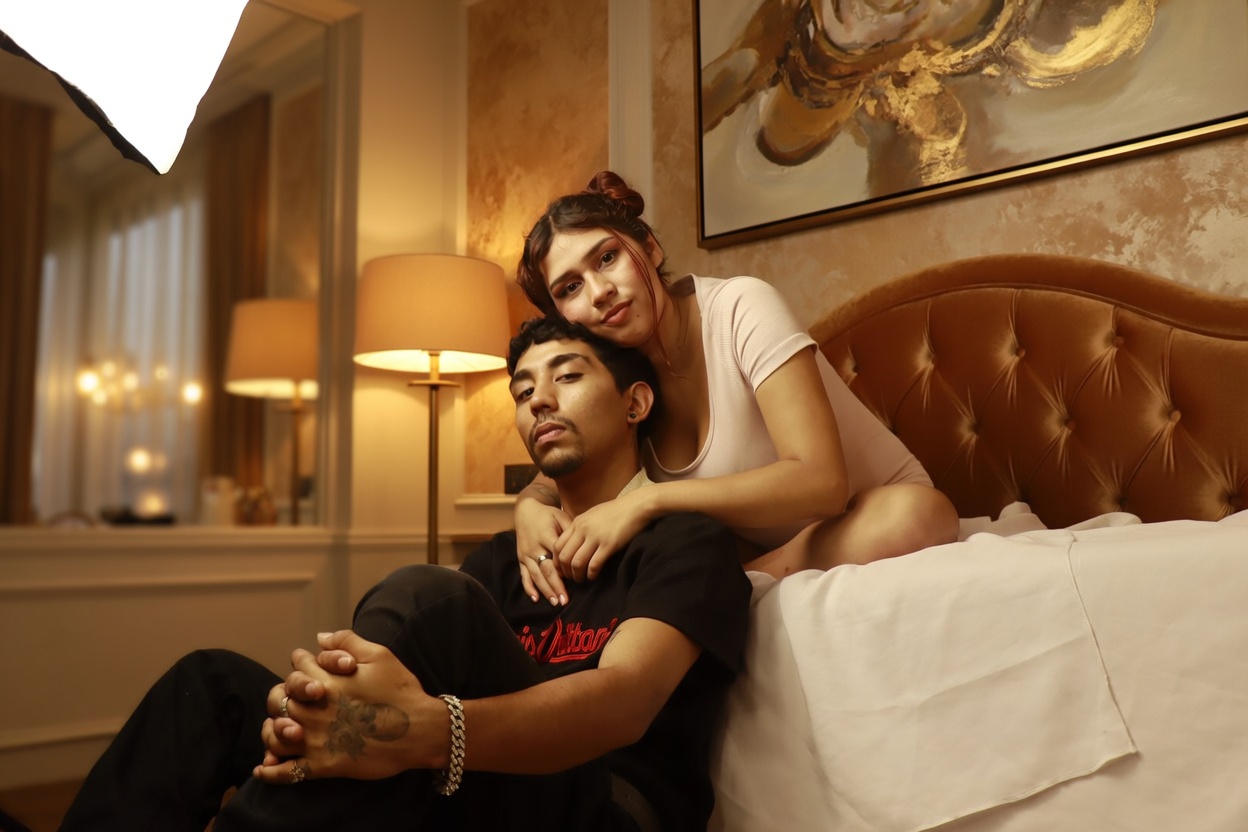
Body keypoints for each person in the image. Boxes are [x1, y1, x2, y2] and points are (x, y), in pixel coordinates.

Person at [58, 318, 751, 832]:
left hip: (605, 807)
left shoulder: (685, 540)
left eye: (567, 377)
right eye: (522, 390)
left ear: (635, 404)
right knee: (212, 686)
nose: (538, 400)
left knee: (427, 595)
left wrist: (419, 730)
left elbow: (625, 701)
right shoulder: (500, 560)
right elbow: (399, 691)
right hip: (468, 782)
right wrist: (324, 718)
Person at [510, 170, 959, 605]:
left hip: (875, 525)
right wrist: (527, 509)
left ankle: (737, 584)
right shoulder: (617, 385)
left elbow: (822, 482)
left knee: (914, 513)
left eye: (608, 258)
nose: (599, 291)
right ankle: (739, 582)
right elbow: (547, 480)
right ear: (562, 317)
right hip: (776, 555)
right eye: (570, 287)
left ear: (649, 247)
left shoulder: (740, 307)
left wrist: (648, 501)